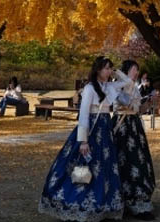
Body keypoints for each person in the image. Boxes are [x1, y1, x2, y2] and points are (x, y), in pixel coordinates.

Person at [38, 56, 123, 221]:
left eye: (110, 68)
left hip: (105, 131)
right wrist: (83, 141)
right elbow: (83, 115)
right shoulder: (90, 88)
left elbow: (127, 83)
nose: (109, 71)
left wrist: (116, 71)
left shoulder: (109, 86)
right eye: (106, 68)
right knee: (84, 166)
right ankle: (78, 204)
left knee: (104, 168)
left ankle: (101, 205)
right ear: (98, 70)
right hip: (92, 130)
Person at [111, 60, 156, 220]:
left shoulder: (135, 86)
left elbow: (138, 110)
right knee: (123, 160)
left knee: (139, 160)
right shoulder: (117, 85)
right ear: (126, 70)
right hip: (122, 127)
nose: (136, 72)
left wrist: (148, 103)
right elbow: (125, 103)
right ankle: (121, 201)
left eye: (137, 70)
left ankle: (138, 201)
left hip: (135, 127)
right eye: (134, 69)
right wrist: (134, 95)